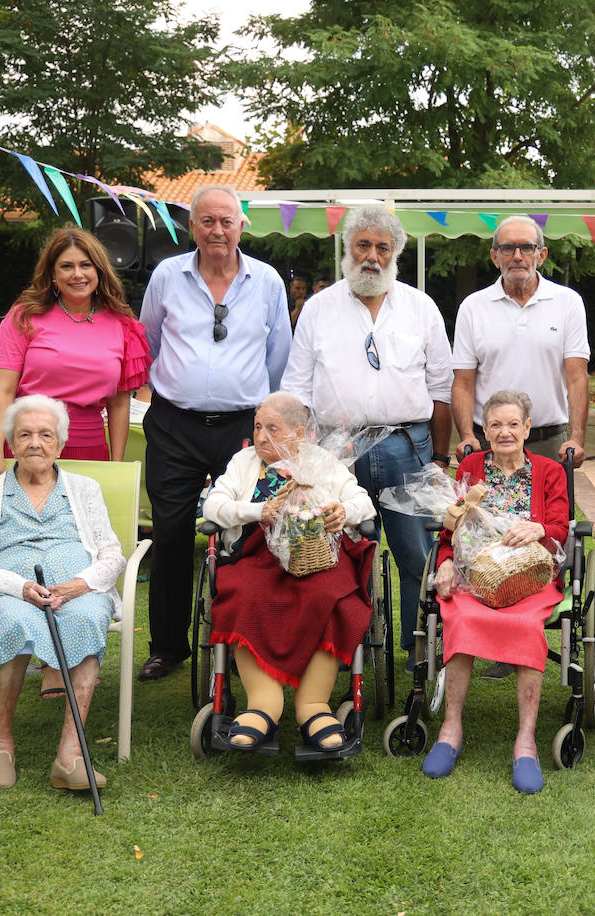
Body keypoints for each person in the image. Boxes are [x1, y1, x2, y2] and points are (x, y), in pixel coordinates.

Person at [282, 205, 452, 663]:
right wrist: (298, 459)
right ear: (347, 249)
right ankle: (345, 652)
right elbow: (296, 388)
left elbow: (441, 389)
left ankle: (420, 653)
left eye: (382, 247)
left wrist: (439, 457)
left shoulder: (421, 307)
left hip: (406, 445)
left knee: (417, 553)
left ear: (395, 252)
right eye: (363, 245)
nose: (372, 257)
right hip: (337, 450)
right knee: (337, 553)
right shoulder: (318, 309)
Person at [137, 184, 292, 682]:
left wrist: (267, 420)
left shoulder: (267, 281)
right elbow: (150, 341)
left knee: (246, 530)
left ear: (242, 226)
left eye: (226, 221)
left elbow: (279, 357)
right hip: (174, 425)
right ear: (192, 227)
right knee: (171, 529)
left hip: (242, 428)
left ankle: (239, 636)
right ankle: (168, 645)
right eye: (207, 221)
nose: (217, 230)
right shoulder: (167, 275)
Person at [0, 395, 124, 790]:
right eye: (25, 435)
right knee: (13, 620)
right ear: (11, 443)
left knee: (90, 615)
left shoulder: (85, 489)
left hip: (76, 592)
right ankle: (1, 741)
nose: (35, 443)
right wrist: (19, 586)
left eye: (45, 435)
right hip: (11, 594)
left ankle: (69, 756)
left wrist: (80, 585)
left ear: (60, 443)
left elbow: (112, 553)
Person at [200, 392, 376, 754]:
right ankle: (263, 703)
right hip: (256, 554)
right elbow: (214, 506)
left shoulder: (321, 462)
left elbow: (363, 502)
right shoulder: (244, 462)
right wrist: (258, 511)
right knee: (245, 594)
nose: (262, 437)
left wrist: (342, 510)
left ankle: (313, 705)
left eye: (272, 429)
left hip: (316, 557)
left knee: (331, 597)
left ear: (298, 433)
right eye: (258, 427)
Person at [421, 391, 570, 793]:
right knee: (463, 617)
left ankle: (526, 741)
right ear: (485, 430)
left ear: (527, 428)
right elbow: (451, 527)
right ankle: (451, 728)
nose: (505, 432)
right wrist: (446, 561)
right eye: (496, 424)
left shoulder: (549, 471)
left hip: (530, 578)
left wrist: (540, 529)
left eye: (513, 424)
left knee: (524, 625)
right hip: (476, 578)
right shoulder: (470, 467)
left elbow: (560, 526)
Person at [0, 228, 150, 480]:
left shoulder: (122, 325)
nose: (77, 274)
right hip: (30, 446)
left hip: (91, 451)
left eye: (86, 265)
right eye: (66, 266)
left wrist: (116, 465)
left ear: (99, 270)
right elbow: (3, 391)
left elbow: (119, 403)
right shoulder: (23, 317)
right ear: (52, 273)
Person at [451, 216, 590, 468]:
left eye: (527, 247)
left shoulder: (568, 302)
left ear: (542, 254)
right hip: (490, 441)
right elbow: (463, 382)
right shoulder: (473, 307)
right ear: (495, 257)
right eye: (507, 248)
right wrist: (467, 436)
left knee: (549, 508)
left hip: (548, 443)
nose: (517, 256)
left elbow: (577, 377)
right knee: (485, 509)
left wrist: (577, 438)